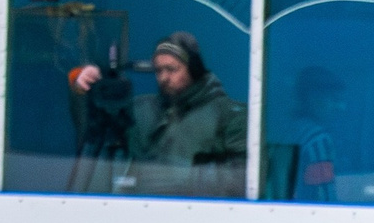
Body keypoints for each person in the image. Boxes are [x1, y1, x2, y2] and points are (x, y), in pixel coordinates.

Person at [67, 31, 247, 196]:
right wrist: (84, 87)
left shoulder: (228, 115)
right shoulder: (142, 109)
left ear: (194, 70)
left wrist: (179, 182)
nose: (163, 78)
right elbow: (95, 128)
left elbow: (243, 179)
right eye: (159, 70)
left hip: (199, 215)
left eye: (172, 69)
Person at [284, 66, 344, 203]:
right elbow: (323, 195)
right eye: (334, 99)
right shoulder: (318, 140)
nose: (341, 107)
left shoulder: (292, 130)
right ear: (312, 97)